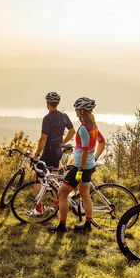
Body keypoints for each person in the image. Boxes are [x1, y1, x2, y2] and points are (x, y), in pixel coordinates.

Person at [49, 97, 105, 233]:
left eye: (76, 110)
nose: (75, 112)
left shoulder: (84, 129)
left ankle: (62, 226)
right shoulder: (93, 126)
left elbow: (85, 150)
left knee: (62, 194)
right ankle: (87, 225)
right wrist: (95, 157)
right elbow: (102, 142)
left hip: (81, 166)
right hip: (89, 165)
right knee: (85, 194)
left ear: (81, 111)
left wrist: (79, 169)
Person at [34, 92, 75, 168]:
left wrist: (37, 154)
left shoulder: (47, 118)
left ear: (47, 104)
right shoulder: (64, 116)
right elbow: (72, 132)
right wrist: (62, 143)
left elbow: (43, 138)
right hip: (58, 151)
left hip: (49, 152)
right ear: (57, 103)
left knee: (37, 174)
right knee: (53, 175)